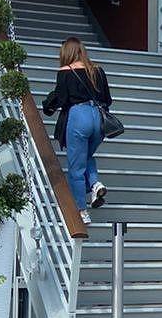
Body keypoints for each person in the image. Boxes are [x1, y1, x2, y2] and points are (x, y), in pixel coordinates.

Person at [41, 37, 110, 224]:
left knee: (76, 168)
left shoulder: (66, 71)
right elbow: (107, 99)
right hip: (98, 118)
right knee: (86, 156)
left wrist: (47, 104)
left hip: (79, 117)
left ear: (67, 53)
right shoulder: (97, 70)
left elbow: (61, 99)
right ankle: (95, 184)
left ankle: (81, 211)